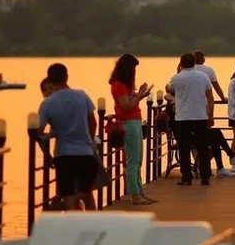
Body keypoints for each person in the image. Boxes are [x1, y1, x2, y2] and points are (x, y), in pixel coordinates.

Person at [37, 63, 99, 211]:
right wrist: (89, 140)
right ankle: (95, 227)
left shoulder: (47, 104)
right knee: (87, 194)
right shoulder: (82, 96)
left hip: (64, 155)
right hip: (86, 153)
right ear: (67, 76)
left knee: (68, 197)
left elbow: (38, 132)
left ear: (50, 80)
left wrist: (46, 154)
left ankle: (73, 229)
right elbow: (93, 122)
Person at [108, 53, 154, 204]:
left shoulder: (124, 85)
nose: (135, 72)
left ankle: (140, 191)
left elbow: (130, 100)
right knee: (133, 160)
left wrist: (138, 94)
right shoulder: (118, 85)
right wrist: (140, 95)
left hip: (135, 121)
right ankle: (134, 194)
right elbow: (127, 106)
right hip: (129, 122)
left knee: (138, 159)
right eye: (133, 69)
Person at [167, 52, 215, 185]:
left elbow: (168, 88)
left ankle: (186, 177)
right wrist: (210, 115)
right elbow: (210, 98)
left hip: (182, 118)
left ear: (181, 63)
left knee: (184, 147)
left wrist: (178, 72)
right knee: (203, 147)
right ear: (194, 62)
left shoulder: (177, 78)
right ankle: (205, 176)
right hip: (200, 116)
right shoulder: (203, 76)